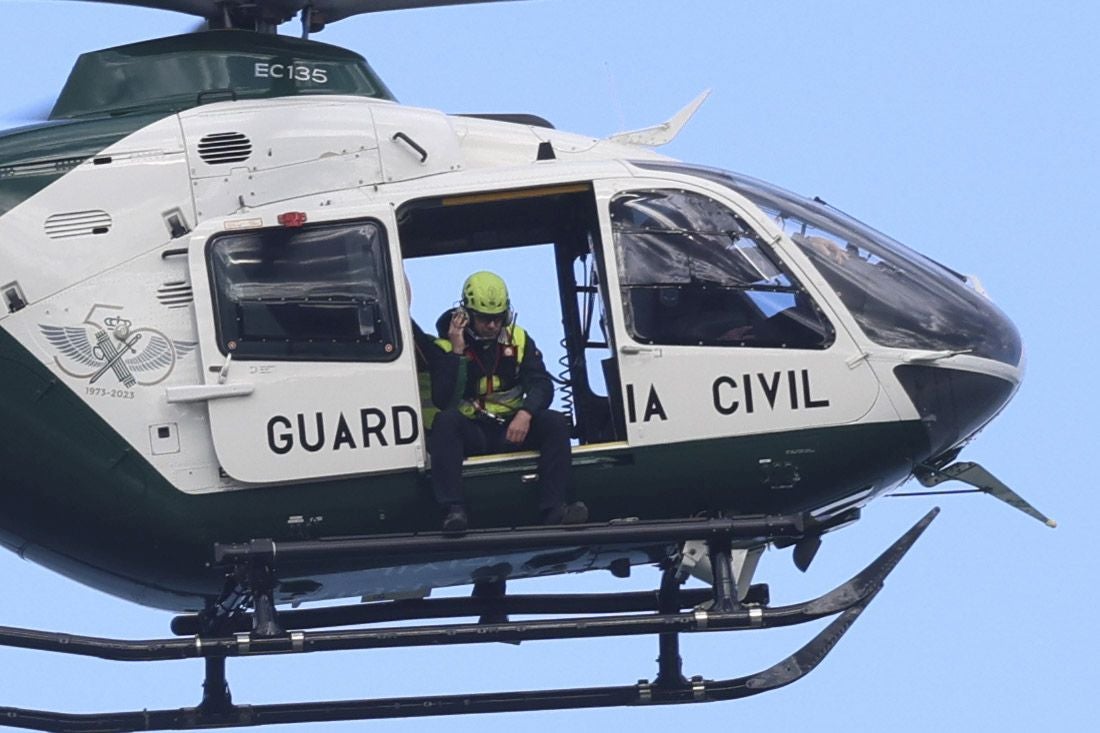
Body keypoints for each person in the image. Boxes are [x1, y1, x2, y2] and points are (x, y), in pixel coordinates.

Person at [427, 271, 587, 533]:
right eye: (484, 319)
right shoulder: (445, 347)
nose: (492, 326)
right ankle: (452, 510)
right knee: (445, 422)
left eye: (498, 318)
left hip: (512, 430)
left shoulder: (519, 339)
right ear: (465, 315)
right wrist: (457, 352)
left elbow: (542, 384)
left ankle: (555, 510)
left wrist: (525, 413)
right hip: (473, 433)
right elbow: (444, 399)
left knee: (555, 422)